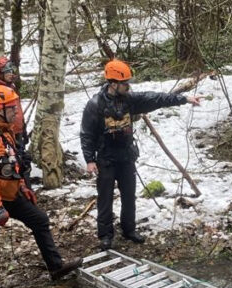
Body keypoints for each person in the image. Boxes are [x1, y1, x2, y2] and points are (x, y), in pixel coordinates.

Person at [0, 85, 82, 288]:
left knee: (39, 220)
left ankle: (56, 266)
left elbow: (12, 162)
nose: (16, 112)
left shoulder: (4, 129)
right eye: (12, 108)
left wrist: (22, 186)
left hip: (8, 191)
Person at [80, 59, 203, 250]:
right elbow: (87, 134)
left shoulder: (129, 100)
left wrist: (184, 99)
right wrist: (90, 160)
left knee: (129, 195)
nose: (128, 86)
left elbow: (156, 99)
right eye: (124, 83)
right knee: (105, 198)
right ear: (113, 83)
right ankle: (105, 235)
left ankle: (129, 230)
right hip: (106, 158)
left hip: (126, 157)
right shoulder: (95, 105)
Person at [0, 56, 32, 185]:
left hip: (17, 132)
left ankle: (26, 190)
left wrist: (22, 129)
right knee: (14, 165)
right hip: (6, 135)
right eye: (7, 72)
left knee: (24, 162)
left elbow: (17, 110)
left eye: (11, 71)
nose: (10, 74)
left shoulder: (10, 87)